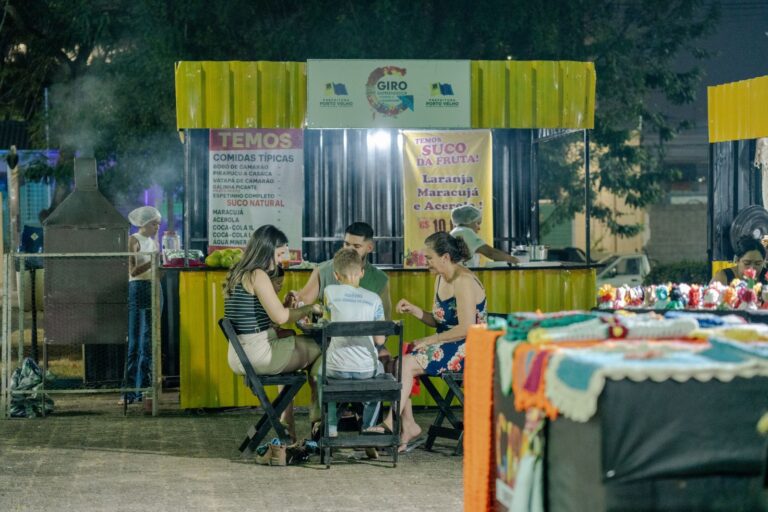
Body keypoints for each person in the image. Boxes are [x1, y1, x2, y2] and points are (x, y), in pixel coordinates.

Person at [368, 232, 487, 451]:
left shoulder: (464, 281)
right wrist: (415, 310)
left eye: (429, 257)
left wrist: (429, 340)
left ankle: (390, 423)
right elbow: (439, 321)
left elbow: (466, 328)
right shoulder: (441, 277)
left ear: (445, 257)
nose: (426, 262)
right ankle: (409, 425)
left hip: (470, 347)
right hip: (448, 344)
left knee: (405, 363)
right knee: (396, 363)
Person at [223, 225, 323, 440]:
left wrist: (286, 306)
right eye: (278, 255)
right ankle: (318, 420)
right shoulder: (258, 274)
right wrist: (309, 308)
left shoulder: (238, 272)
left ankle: (287, 425)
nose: (279, 261)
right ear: (266, 250)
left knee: (291, 361)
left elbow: (262, 318)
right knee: (321, 348)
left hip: (240, 354)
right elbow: (280, 318)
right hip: (259, 354)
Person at [311, 248, 386, 457]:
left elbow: (326, 323)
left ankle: (331, 427)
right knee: (379, 381)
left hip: (336, 369)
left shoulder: (330, 292)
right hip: (365, 370)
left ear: (336, 276)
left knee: (320, 375)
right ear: (362, 272)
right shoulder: (374, 299)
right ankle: (368, 430)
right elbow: (380, 340)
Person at [289, 222, 391, 320]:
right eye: (347, 244)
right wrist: (295, 300)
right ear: (336, 275)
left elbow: (385, 321)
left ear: (369, 248)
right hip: (329, 331)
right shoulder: (323, 270)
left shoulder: (380, 279)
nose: (349, 249)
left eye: (356, 246)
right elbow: (302, 302)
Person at [120, 206, 162, 405]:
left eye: (158, 224)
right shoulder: (133, 240)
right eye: (154, 224)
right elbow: (133, 270)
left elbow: (156, 269)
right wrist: (153, 260)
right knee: (136, 341)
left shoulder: (154, 242)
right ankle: (128, 391)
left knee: (148, 341)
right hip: (138, 288)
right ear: (144, 223)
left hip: (153, 287)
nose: (157, 227)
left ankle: (143, 390)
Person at [449, 205, 519, 267]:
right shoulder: (466, 232)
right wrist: (514, 259)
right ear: (468, 220)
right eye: (477, 223)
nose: (479, 228)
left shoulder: (455, 232)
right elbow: (490, 253)